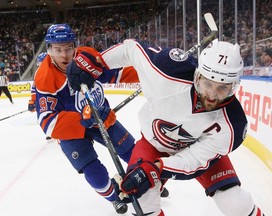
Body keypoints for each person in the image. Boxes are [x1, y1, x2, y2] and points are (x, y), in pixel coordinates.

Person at [68, 38, 265, 216]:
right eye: (207, 84)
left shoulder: (234, 125)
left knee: (234, 202)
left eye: (223, 88)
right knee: (143, 202)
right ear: (197, 74)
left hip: (192, 152)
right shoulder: (166, 68)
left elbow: (193, 160)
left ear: (235, 86)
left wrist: (155, 169)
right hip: (153, 145)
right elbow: (131, 49)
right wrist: (97, 62)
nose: (211, 95)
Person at [33, 23, 136, 214]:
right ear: (49, 50)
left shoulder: (86, 57)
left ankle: (142, 183)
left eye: (68, 48)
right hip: (71, 131)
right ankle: (115, 196)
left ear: (75, 46)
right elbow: (47, 122)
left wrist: (147, 74)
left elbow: (113, 73)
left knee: (134, 153)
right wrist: (83, 119)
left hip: (101, 117)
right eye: (57, 50)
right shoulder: (45, 76)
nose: (64, 55)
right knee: (94, 173)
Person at [28, 52, 52, 140]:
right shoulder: (38, 72)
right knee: (43, 116)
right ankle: (50, 131)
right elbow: (34, 88)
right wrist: (33, 101)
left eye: (42, 62)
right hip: (44, 98)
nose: (40, 65)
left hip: (56, 98)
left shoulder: (56, 71)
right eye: (39, 63)